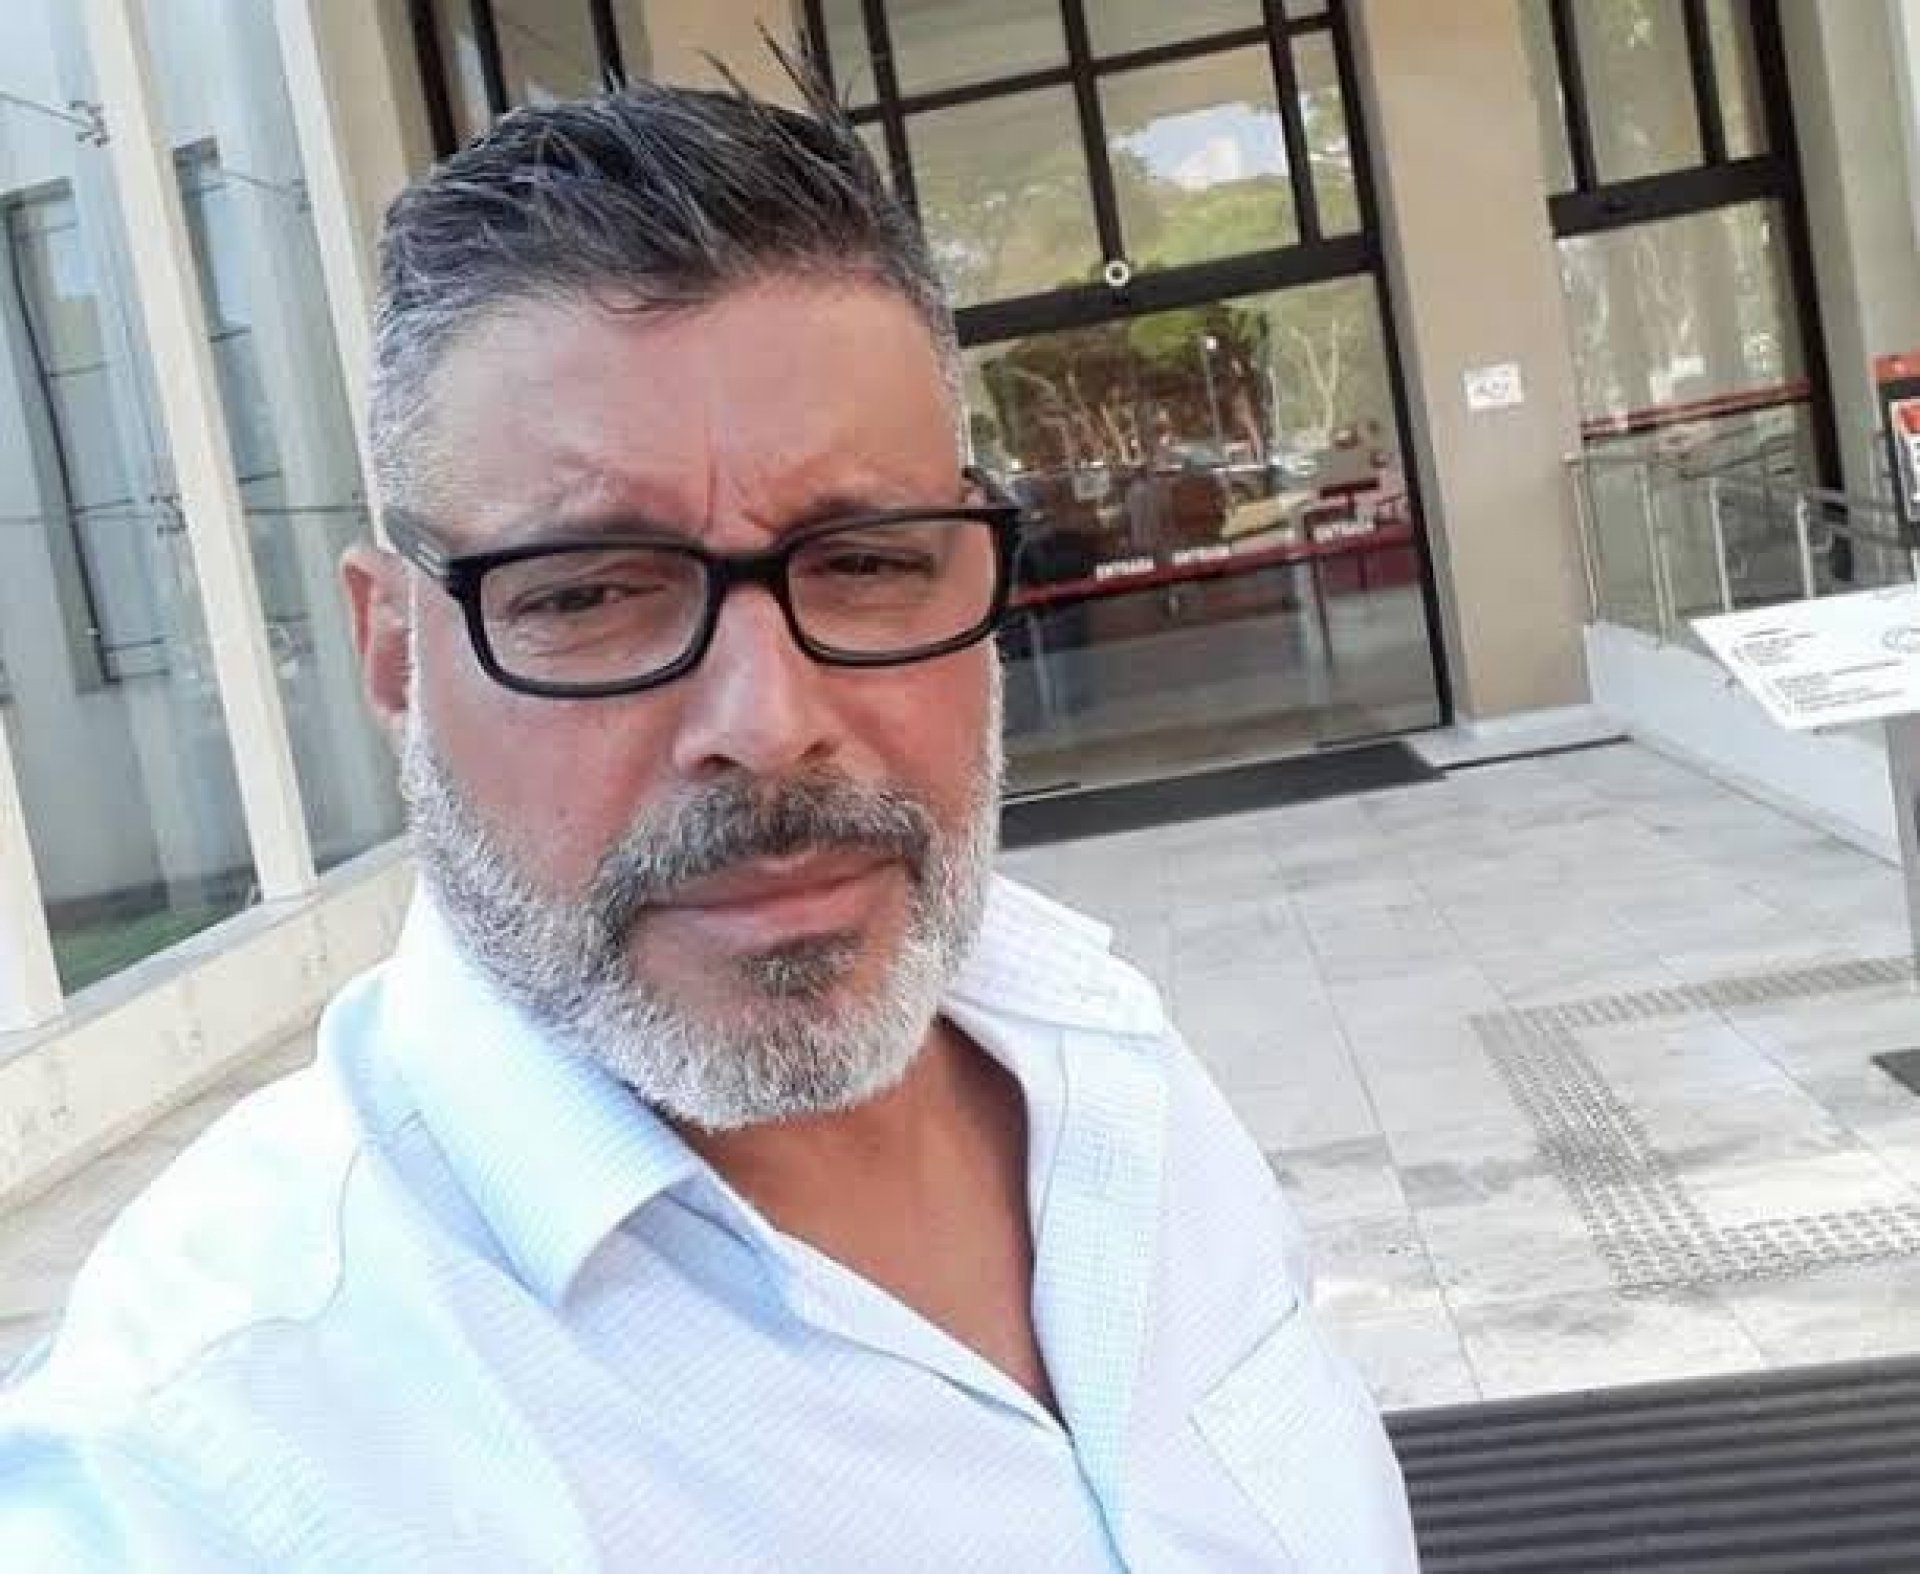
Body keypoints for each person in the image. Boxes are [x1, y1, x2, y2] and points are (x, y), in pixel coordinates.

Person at [0, 78, 1417, 1572]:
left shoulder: (1110, 1060)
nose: (768, 717)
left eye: (868, 561)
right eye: (590, 593)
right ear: (396, 653)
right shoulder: (213, 1460)